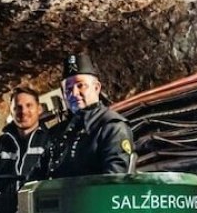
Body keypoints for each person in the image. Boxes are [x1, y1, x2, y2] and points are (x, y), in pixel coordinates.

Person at [33, 52, 135, 180]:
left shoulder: (112, 127)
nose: (74, 93)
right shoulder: (58, 132)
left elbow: (114, 181)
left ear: (96, 88)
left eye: (81, 85)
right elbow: (37, 175)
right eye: (68, 89)